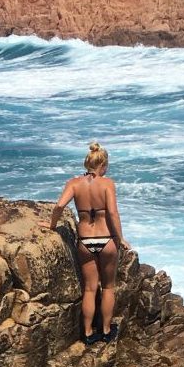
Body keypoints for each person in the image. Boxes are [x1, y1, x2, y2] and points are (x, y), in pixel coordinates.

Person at [41, 141, 128, 346]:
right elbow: (113, 213)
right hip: (106, 240)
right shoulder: (107, 183)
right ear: (103, 165)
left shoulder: (74, 183)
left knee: (89, 289)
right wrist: (121, 238)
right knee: (107, 287)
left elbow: (60, 205)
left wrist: (52, 225)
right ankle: (106, 331)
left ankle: (88, 333)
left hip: (85, 240)